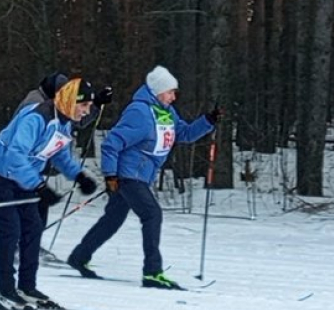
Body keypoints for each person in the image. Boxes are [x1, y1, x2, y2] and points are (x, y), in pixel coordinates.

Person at [66, 66, 220, 290]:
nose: (174, 96)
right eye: (170, 92)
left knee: (113, 219)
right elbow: (112, 143)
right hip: (129, 176)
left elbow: (184, 134)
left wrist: (208, 120)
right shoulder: (139, 112)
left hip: (141, 176)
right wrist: (110, 175)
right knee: (152, 214)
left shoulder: (166, 111)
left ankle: (79, 256)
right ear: (158, 91)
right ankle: (152, 272)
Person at [0, 77, 99, 310]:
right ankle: (5, 292)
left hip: (22, 175)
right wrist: (39, 187)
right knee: (11, 229)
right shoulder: (36, 118)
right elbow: (15, 155)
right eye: (83, 106)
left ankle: (27, 287)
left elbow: (58, 154)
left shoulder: (63, 122)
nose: (86, 112)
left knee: (33, 227)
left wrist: (79, 175)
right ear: (69, 101)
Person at [16, 72, 113, 230]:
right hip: (21, 168)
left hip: (34, 167)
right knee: (30, 208)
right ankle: (23, 247)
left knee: (39, 206)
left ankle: (32, 246)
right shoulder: (35, 103)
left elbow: (77, 121)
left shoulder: (54, 106)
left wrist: (96, 104)